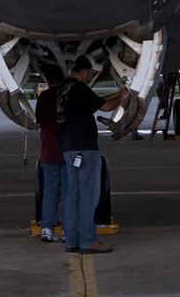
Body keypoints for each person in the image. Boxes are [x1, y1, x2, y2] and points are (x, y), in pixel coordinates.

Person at [58, 55, 130, 255]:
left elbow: (96, 102)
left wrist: (117, 93)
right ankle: (88, 240)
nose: (91, 77)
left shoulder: (65, 87)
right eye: (91, 73)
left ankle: (71, 240)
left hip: (68, 147)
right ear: (85, 71)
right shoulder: (80, 88)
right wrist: (122, 97)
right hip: (84, 147)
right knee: (88, 195)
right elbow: (106, 107)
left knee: (72, 195)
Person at [35, 68, 65, 242]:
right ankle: (68, 229)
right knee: (69, 191)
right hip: (67, 148)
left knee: (50, 191)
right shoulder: (65, 96)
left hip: (48, 149)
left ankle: (47, 227)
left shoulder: (43, 96)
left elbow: (39, 119)